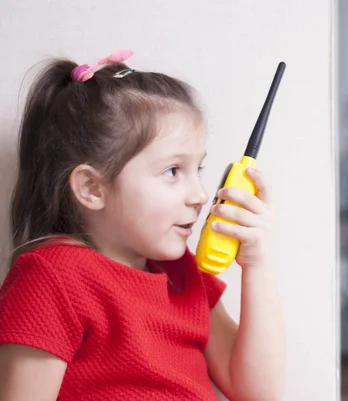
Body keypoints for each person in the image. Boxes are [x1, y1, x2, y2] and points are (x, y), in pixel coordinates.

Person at [0, 50, 285, 401]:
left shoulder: (185, 277)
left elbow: (259, 391)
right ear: (92, 188)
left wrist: (256, 265)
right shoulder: (52, 277)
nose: (199, 195)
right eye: (172, 171)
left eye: (198, 170)